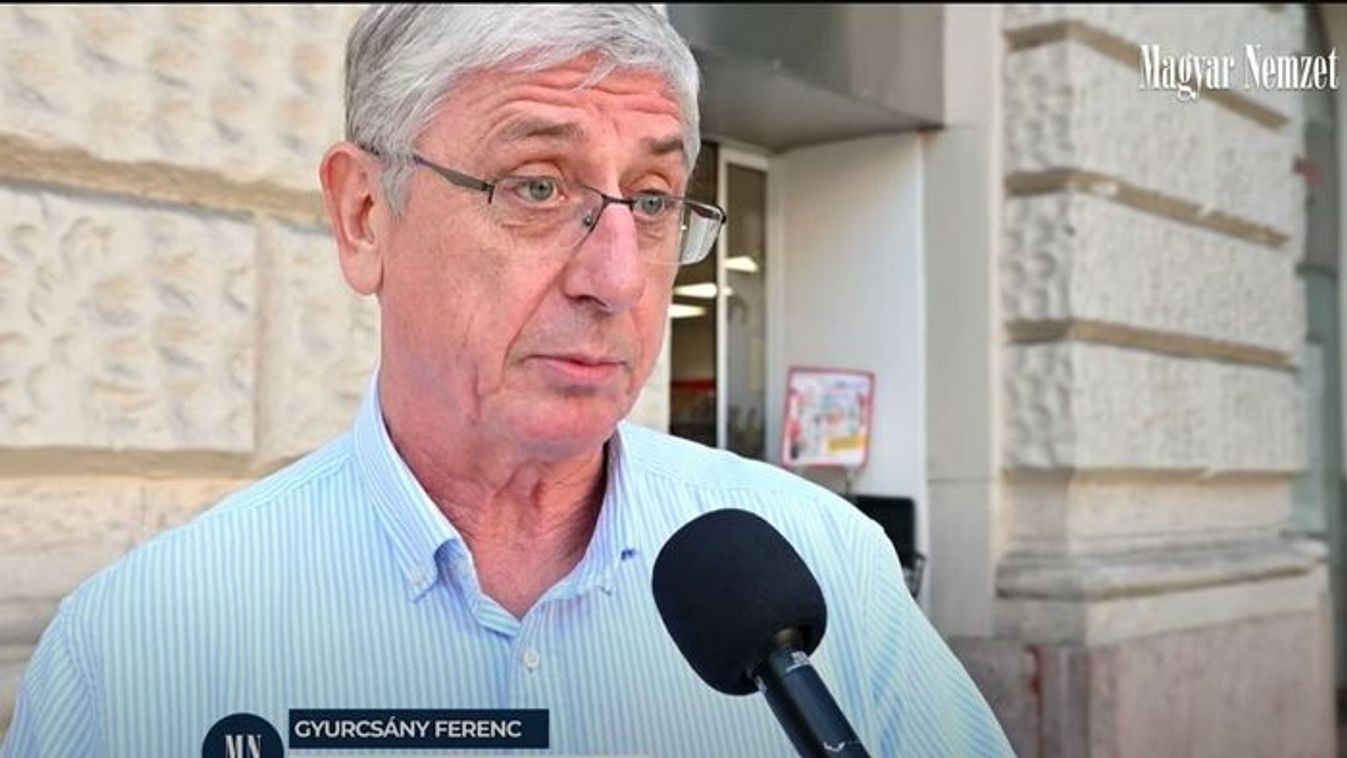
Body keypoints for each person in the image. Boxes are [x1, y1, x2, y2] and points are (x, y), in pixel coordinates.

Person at [1, 5, 1012, 756]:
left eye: (652, 200)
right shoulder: (142, 645)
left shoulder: (827, 569)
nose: (617, 278)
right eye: (536, 185)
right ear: (364, 216)